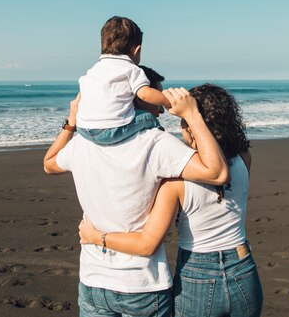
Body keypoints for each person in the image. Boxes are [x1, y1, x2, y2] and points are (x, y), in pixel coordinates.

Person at [44, 69, 229, 317]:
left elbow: (49, 163)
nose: (162, 108)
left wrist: (72, 122)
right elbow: (216, 172)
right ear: (140, 97)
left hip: (94, 280)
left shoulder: (83, 143)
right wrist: (192, 115)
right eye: (157, 97)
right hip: (142, 285)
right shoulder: (156, 143)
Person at [79, 84, 264, 317]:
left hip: (198, 276)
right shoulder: (243, 158)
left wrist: (97, 237)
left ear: (191, 125)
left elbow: (147, 244)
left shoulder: (176, 182)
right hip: (244, 268)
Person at [76, 16, 171, 145]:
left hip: (82, 128)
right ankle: (159, 143)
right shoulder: (131, 69)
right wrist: (169, 101)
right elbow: (144, 93)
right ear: (137, 50)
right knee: (149, 118)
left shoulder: (93, 70)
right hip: (111, 129)